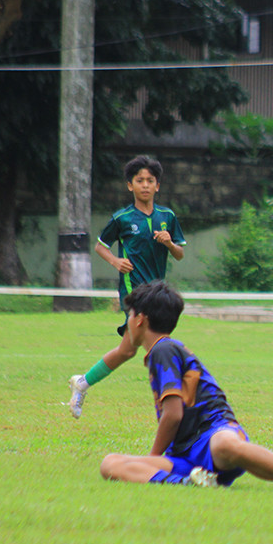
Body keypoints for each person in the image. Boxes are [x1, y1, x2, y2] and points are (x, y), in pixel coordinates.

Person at [98, 280, 273, 492]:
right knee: (110, 463)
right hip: (185, 458)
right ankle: (190, 482)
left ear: (140, 320)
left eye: (130, 315)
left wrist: (152, 458)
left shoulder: (163, 350)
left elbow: (173, 414)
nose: (128, 322)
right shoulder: (162, 350)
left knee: (226, 445)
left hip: (213, 434)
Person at [68, 155, 186, 419]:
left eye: (150, 180)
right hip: (134, 293)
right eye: (139, 180)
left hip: (158, 292)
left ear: (157, 186)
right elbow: (101, 246)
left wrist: (169, 243)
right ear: (130, 185)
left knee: (127, 350)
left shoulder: (167, 216)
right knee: (158, 344)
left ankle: (82, 382)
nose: (145, 185)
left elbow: (179, 254)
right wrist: (115, 261)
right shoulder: (122, 218)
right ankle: (172, 404)